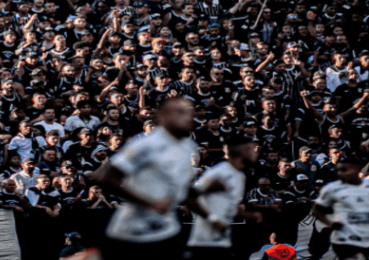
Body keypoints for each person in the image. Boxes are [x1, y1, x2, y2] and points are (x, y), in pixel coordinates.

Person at [88, 97, 197, 260]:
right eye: (180, 112)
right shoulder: (144, 145)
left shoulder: (189, 147)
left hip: (167, 229)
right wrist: (150, 203)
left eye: (189, 112)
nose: (188, 117)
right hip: (132, 232)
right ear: (163, 116)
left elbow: (181, 187)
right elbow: (109, 177)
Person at [187, 136, 261, 260]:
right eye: (251, 149)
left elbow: (226, 207)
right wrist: (213, 220)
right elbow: (189, 196)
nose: (256, 152)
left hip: (223, 241)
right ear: (242, 151)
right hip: (204, 244)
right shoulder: (219, 173)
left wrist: (248, 215)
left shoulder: (239, 175)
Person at [312, 155, 369, 260]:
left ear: (357, 168)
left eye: (344, 170)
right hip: (343, 240)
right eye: (338, 170)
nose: (340, 173)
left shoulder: (368, 186)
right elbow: (316, 210)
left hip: (366, 239)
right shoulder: (331, 188)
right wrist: (330, 223)